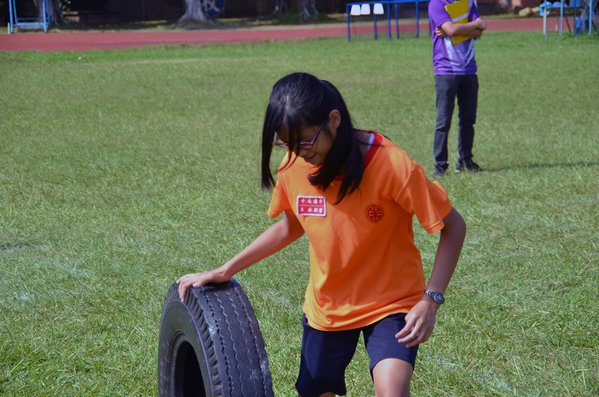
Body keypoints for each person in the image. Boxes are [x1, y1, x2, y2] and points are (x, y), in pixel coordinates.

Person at [177, 72, 466, 397]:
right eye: (285, 142)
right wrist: (225, 270)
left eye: (305, 140)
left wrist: (432, 299)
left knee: (392, 391)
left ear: (333, 119)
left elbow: (453, 227)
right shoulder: (294, 165)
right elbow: (291, 225)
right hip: (328, 305)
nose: (297, 151)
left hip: (391, 302)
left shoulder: (392, 165)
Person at [428, 0, 487, 176]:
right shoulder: (437, 3)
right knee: (443, 121)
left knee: (468, 120)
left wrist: (456, 29)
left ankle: (465, 161)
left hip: (469, 69)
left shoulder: (468, 2)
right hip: (446, 71)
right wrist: (473, 24)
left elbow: (478, 31)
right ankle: (440, 165)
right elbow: (459, 29)